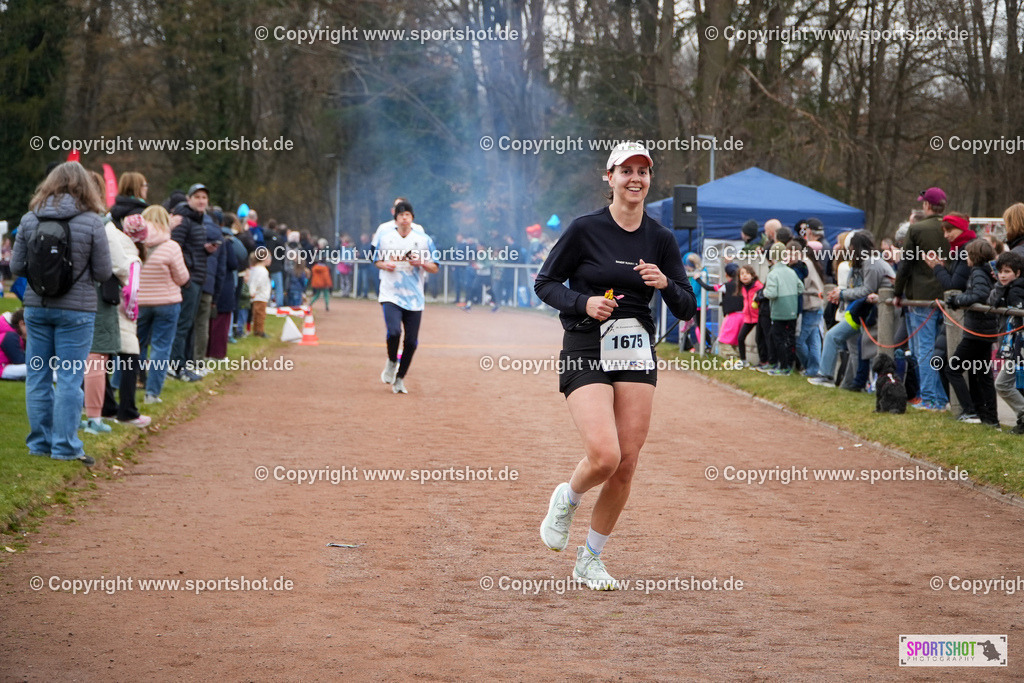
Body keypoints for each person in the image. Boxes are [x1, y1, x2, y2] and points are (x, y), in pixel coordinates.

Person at [535, 142, 695, 590]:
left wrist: (665, 283)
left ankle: (590, 559)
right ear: (609, 177)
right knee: (604, 455)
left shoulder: (661, 239)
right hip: (586, 344)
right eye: (626, 171)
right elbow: (545, 283)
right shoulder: (584, 230)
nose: (635, 179)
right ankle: (567, 498)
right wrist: (583, 301)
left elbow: (687, 306)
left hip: (635, 350)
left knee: (626, 463)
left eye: (643, 171)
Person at [10, 161, 112, 466]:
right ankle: (65, 446)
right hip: (77, 311)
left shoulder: (29, 219)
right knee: (69, 377)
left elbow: (16, 267)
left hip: (37, 308)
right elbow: (104, 272)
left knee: (37, 376)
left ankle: (39, 443)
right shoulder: (93, 222)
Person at [808, 231, 895, 387]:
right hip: (866, 311)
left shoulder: (870, 261)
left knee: (834, 337)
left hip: (872, 312)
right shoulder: (870, 260)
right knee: (855, 348)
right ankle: (854, 384)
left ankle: (828, 376)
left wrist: (842, 294)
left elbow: (866, 289)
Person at [893, 187, 950, 410]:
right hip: (947, 294)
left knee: (923, 349)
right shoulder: (951, 226)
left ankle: (930, 398)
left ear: (927, 205)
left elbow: (906, 263)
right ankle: (941, 397)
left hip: (921, 297)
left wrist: (898, 292)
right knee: (941, 349)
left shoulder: (917, 229)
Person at [373, 201, 438, 394]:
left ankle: (400, 378)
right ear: (396, 219)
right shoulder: (385, 237)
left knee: (411, 342)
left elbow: (435, 267)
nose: (404, 217)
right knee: (393, 332)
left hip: (414, 297)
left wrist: (422, 263)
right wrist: (386, 265)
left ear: (412, 218)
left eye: (408, 214)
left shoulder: (424, 240)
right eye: (401, 215)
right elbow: (376, 260)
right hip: (390, 293)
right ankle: (392, 361)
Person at [136, 206, 189, 404]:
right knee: (161, 347)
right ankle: (152, 393)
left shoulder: (135, 244)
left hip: (140, 302)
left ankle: (130, 383)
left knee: (136, 346)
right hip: (167, 302)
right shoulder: (171, 246)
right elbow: (182, 277)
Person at [942, 238, 998, 425]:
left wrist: (958, 299)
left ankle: (970, 411)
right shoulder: (988, 272)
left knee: (953, 369)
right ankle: (989, 418)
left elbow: (981, 295)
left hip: (977, 332)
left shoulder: (978, 272)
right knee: (982, 374)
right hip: (984, 330)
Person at [169, 183, 210, 382]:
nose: (202, 201)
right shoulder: (184, 220)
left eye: (204, 197)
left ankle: (184, 365)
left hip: (198, 277)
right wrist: (190, 265)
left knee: (189, 324)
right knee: (183, 324)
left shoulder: (198, 221)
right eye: (198, 197)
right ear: (189, 199)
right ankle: (176, 367)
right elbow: (176, 248)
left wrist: (205, 249)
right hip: (188, 279)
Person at [989, 250, 1024, 433]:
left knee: (1002, 383)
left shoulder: (1017, 290)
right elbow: (992, 301)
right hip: (1014, 345)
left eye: (1007, 271)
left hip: (1019, 346)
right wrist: (1001, 287)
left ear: (1017, 273)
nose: (1003, 275)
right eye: (1000, 271)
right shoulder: (1007, 288)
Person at [762, 242, 805, 375]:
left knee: (778, 337)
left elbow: (772, 293)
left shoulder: (773, 273)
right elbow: (800, 288)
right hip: (792, 308)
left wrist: (763, 292)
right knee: (789, 337)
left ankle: (783, 367)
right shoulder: (791, 271)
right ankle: (789, 365)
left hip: (779, 309)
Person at [735, 264, 763, 367]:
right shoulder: (743, 288)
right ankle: (743, 360)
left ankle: (763, 362)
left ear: (752, 275)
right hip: (748, 318)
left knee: (760, 339)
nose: (744, 276)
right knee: (740, 338)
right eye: (742, 274)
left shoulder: (758, 286)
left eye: (747, 273)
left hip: (759, 316)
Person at [248, 251, 271, 338]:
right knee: (260, 315)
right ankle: (260, 331)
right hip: (261, 296)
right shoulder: (263, 271)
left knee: (256, 314)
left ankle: (256, 331)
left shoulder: (254, 269)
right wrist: (253, 291)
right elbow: (257, 282)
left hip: (257, 295)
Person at [0, 308, 27, 380]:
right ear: (22, 323)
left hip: (4, 366)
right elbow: (19, 361)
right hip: (2, 368)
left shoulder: (10, 333)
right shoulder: (11, 336)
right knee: (35, 368)